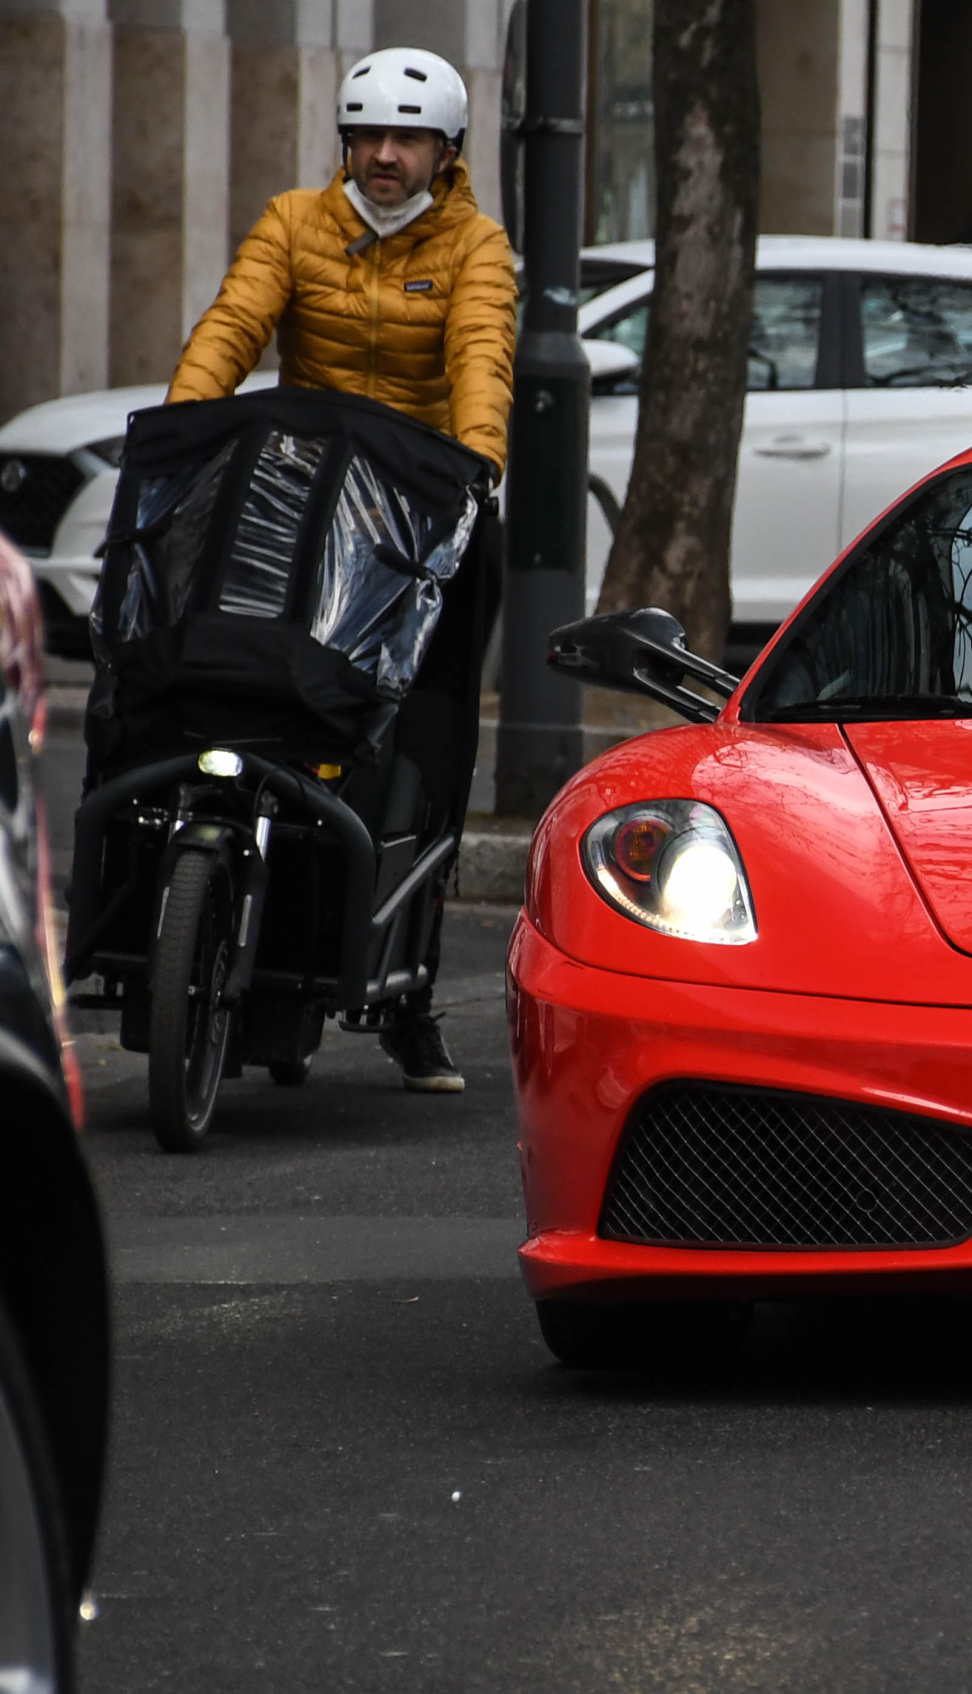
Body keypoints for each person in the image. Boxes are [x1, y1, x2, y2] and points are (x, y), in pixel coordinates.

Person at [167, 45, 515, 1093]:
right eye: (367, 137)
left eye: (406, 140)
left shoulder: (476, 246)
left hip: (425, 515)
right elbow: (234, 323)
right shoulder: (293, 222)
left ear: (446, 153)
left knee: (428, 743)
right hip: (307, 498)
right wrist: (185, 438)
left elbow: (481, 358)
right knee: (230, 684)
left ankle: (408, 1003)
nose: (383, 157)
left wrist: (476, 466)